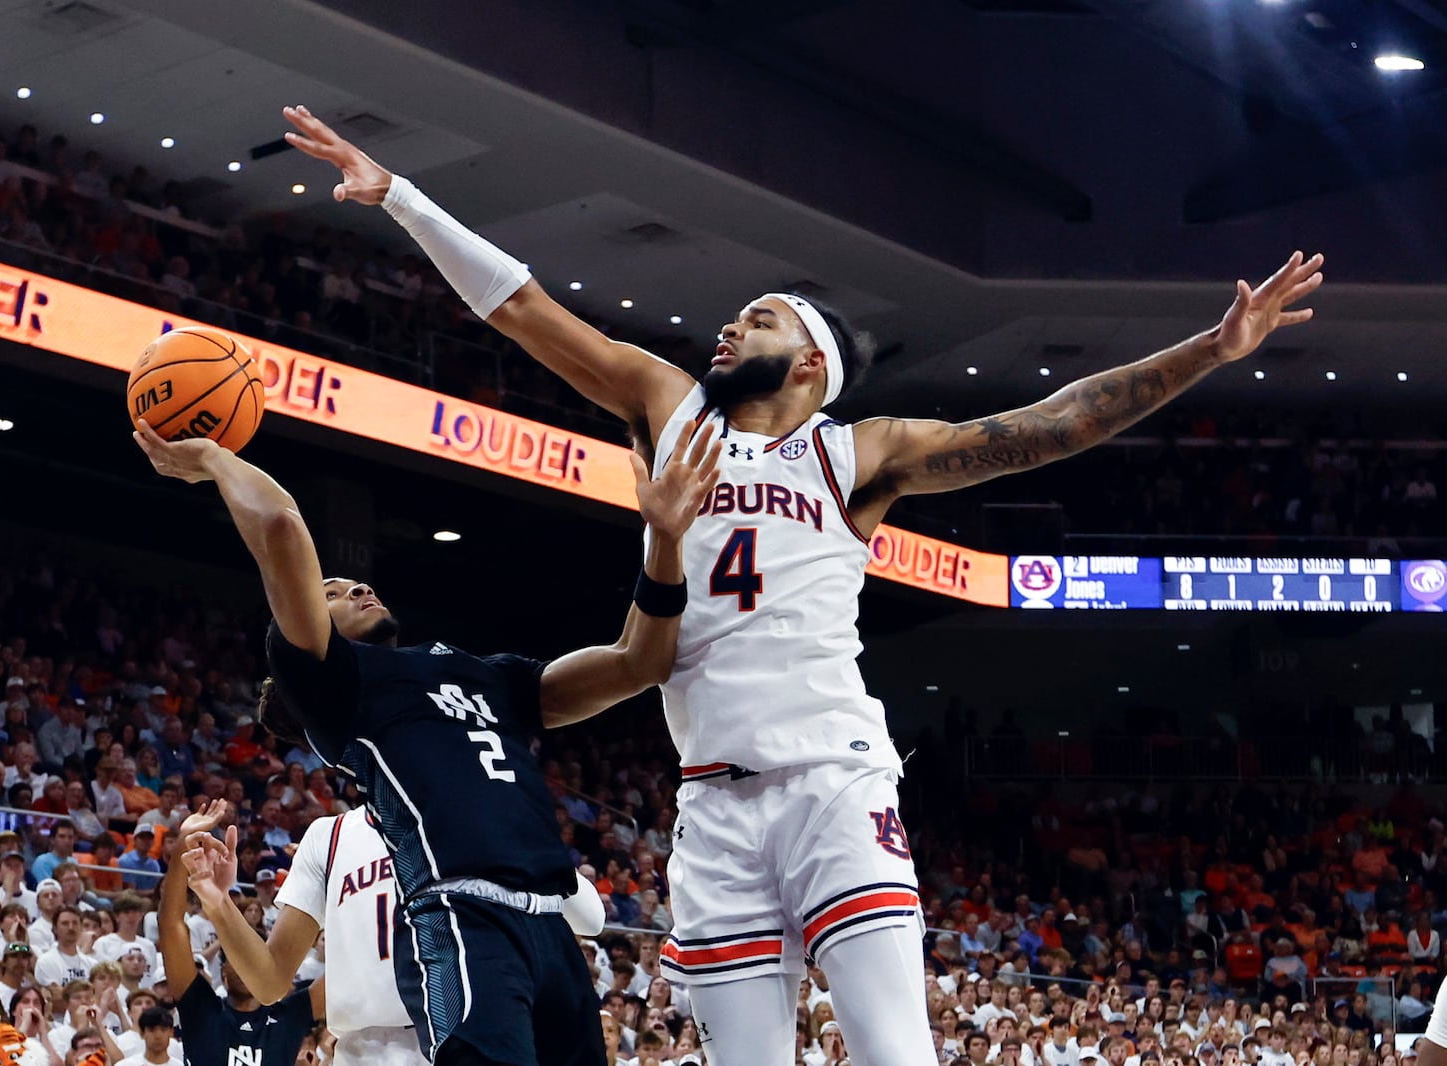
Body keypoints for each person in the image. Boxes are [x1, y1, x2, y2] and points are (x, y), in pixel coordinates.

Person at [280, 105, 1325, 1066]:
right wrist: (403, 196)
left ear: (809, 368)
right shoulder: (669, 405)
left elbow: (1052, 426)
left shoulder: (857, 454)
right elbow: (527, 311)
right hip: (712, 801)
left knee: (890, 1049)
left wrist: (1208, 350)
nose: (729, 330)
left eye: (758, 321)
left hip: (832, 776)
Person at [133, 397, 717, 1066]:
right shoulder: (342, 692)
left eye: (355, 581)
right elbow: (280, 525)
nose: (354, 589)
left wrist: (666, 542)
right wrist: (211, 455)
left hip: (545, 935)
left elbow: (639, 661)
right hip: (457, 930)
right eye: (331, 590)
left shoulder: (483, 675)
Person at [182, 805, 422, 1066]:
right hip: (361, 1049)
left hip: (450, 1037)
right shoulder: (329, 836)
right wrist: (219, 903)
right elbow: (269, 982)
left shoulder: (463, 816)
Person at [155, 806, 317, 1066]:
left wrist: (321, 879)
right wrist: (182, 848)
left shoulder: (290, 1015)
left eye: (254, 955)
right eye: (236, 958)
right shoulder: (201, 1007)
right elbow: (171, 924)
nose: (245, 965)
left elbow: (351, 969)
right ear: (223, 972)